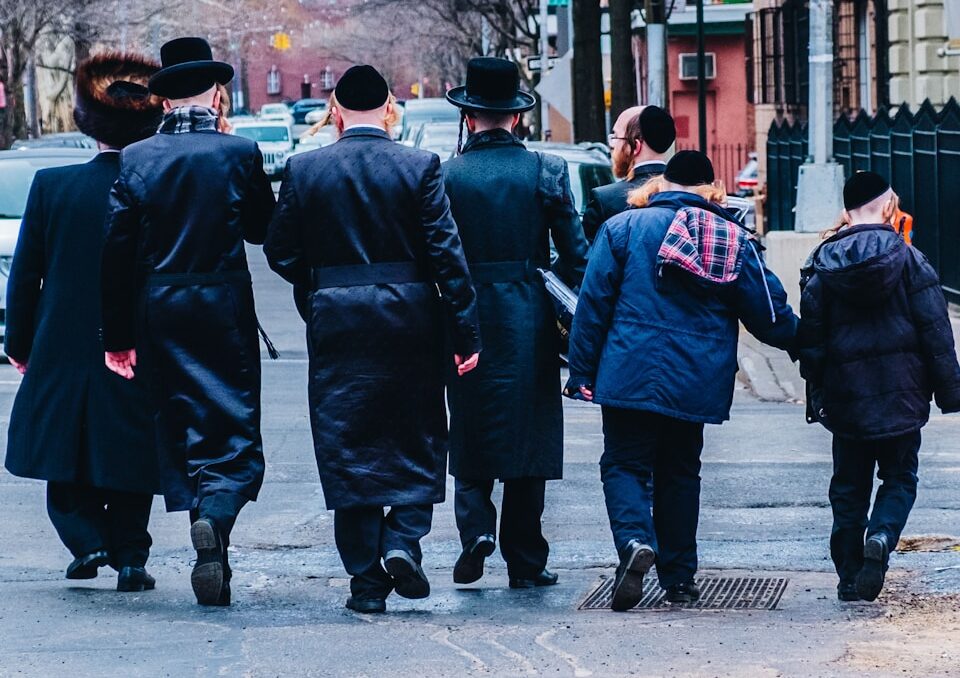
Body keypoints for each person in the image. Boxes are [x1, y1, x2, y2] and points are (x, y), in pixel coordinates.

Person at [265, 65, 482, 614]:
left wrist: (318, 288)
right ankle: (403, 538)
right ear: (390, 109)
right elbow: (447, 256)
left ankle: (365, 581)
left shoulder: (304, 168)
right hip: (409, 314)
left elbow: (280, 251)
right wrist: (464, 329)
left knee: (347, 439)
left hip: (336, 318)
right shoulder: (419, 166)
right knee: (418, 431)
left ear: (333, 110)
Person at [565, 151, 797, 611]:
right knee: (679, 473)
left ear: (662, 185)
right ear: (713, 190)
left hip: (628, 371)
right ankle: (680, 580)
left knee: (624, 465)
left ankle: (633, 541)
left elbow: (592, 308)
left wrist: (581, 371)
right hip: (695, 377)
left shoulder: (624, 228)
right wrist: (813, 343)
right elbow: (768, 315)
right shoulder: (731, 236)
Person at [100, 37, 276, 606]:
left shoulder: (136, 159)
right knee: (234, 420)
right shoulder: (239, 154)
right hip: (221, 303)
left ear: (166, 99)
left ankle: (211, 542)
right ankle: (217, 515)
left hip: (160, 307)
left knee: (178, 421)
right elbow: (260, 229)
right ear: (214, 91)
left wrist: (118, 337)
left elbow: (116, 255)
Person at [4, 52, 163, 593]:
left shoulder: (53, 186)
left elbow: (24, 278)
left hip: (62, 339)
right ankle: (130, 556)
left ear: (85, 124)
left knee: (60, 448)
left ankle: (86, 539)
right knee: (131, 449)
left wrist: (18, 342)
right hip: (138, 339)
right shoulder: (155, 185)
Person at [442, 57, 588, 589]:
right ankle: (525, 557)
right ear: (517, 118)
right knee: (529, 432)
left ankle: (476, 529)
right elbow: (575, 255)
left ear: (469, 116)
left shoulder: (448, 175)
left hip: (468, 310)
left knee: (471, 421)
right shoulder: (545, 171)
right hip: (529, 310)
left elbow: (435, 253)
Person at [797, 171, 960, 602]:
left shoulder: (823, 265)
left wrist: (819, 392)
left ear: (847, 212)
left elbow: (811, 342)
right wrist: (950, 392)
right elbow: (936, 332)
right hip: (902, 397)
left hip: (847, 401)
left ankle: (850, 575)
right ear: (888, 206)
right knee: (900, 478)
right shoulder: (910, 261)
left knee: (848, 488)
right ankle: (883, 536)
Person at [581, 105, 676, 244]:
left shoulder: (605, 200)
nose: (612, 145)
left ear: (636, 146)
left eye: (615, 137)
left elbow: (584, 260)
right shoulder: (692, 196)